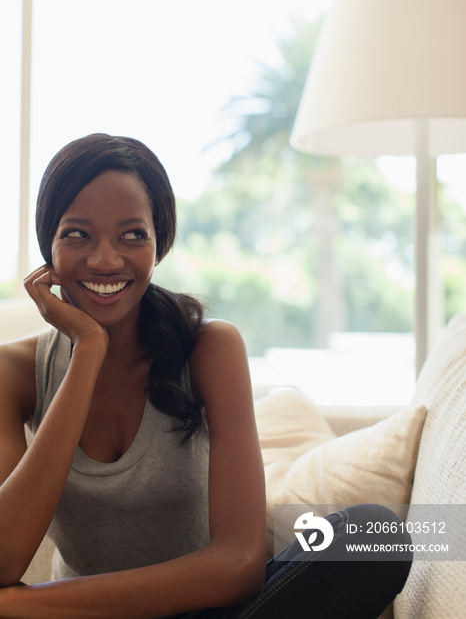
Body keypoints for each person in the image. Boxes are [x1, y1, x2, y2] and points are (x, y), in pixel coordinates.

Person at [0, 133, 412, 618]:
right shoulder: (15, 373)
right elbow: (5, 558)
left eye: (133, 234)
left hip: (205, 613)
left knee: (375, 534)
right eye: (77, 234)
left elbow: (238, 565)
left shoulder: (209, 349)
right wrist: (87, 352)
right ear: (48, 246)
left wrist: (26, 606)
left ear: (160, 244)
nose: (106, 259)